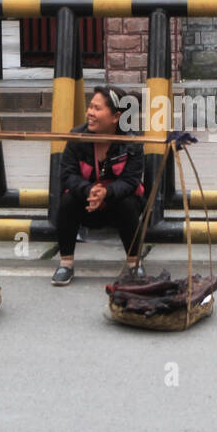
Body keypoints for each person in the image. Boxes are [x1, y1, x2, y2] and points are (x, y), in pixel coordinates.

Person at [52, 85, 146, 286]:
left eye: (97, 108)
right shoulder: (77, 137)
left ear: (115, 117)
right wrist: (90, 190)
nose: (90, 113)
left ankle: (134, 264)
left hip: (116, 206)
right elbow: (68, 174)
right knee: (68, 199)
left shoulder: (132, 142)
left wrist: (107, 192)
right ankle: (66, 263)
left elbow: (130, 181)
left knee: (128, 203)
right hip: (87, 203)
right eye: (90, 107)